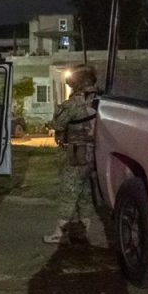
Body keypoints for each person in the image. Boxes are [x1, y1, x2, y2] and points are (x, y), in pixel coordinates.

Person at [44, 64, 99, 245]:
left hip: (78, 153)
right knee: (85, 193)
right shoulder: (100, 100)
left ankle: (59, 233)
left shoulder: (73, 103)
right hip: (96, 154)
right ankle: (83, 232)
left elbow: (58, 125)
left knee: (69, 192)